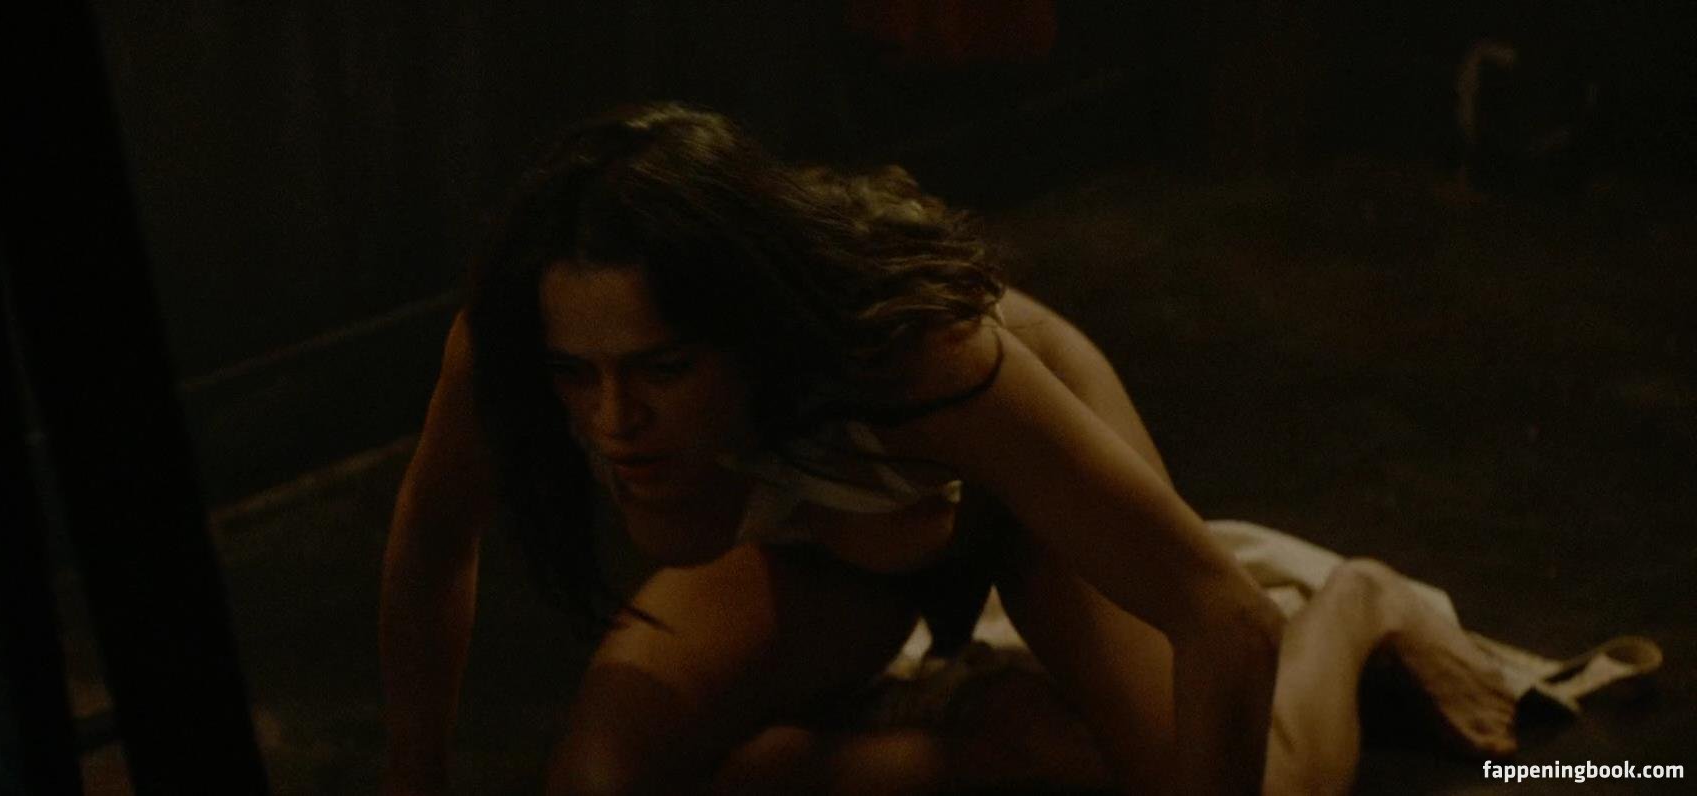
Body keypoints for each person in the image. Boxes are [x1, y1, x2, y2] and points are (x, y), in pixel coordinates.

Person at [378, 102, 1518, 795]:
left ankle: (1360, 605)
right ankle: (1001, 741)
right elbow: (431, 548)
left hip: (1003, 500)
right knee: (603, 779)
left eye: (662, 368)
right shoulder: (515, 340)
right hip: (841, 548)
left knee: (1250, 778)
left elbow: (1224, 617)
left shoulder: (917, 354)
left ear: (750, 329)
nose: (613, 420)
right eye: (580, 376)